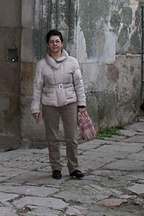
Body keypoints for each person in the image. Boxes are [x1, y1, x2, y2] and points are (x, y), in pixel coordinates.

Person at [31, 29, 88, 180]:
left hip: (69, 102)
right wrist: (35, 108)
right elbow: (37, 87)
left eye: (57, 41)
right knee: (52, 137)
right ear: (47, 45)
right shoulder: (42, 65)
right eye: (51, 42)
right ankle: (56, 167)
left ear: (62, 43)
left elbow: (79, 84)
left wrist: (81, 104)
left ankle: (73, 167)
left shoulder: (72, 62)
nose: (54, 44)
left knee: (71, 137)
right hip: (49, 103)